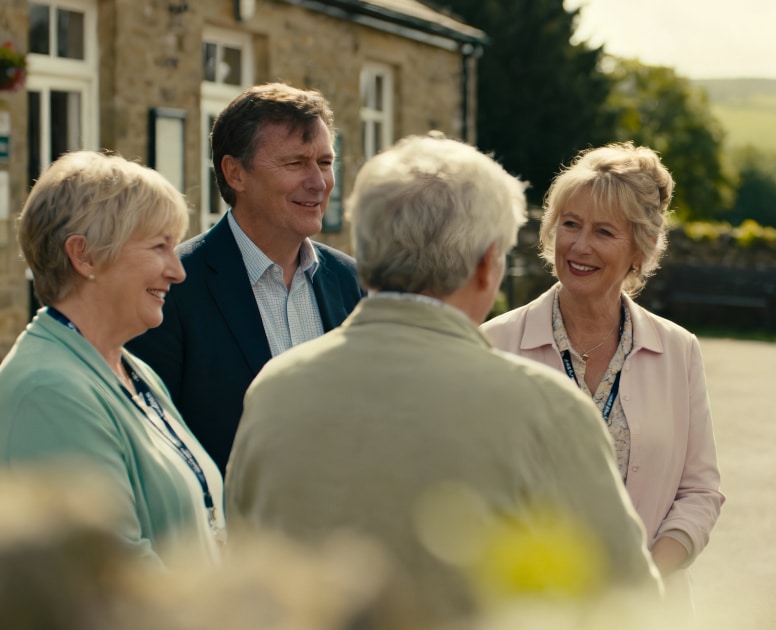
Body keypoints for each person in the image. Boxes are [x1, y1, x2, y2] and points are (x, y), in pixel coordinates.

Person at [224, 135, 660, 625]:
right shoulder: (547, 410)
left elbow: (238, 570)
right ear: (485, 264)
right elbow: (629, 604)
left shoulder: (274, 390)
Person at [482, 142, 724, 606]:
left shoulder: (678, 350)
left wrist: (647, 576)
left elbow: (699, 491)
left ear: (642, 246)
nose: (579, 245)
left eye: (604, 232)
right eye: (570, 224)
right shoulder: (493, 345)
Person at [0, 151, 224, 565]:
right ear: (83, 255)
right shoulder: (47, 392)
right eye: (159, 246)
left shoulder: (133, 371)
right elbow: (112, 579)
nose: (178, 271)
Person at [128, 83, 363, 473]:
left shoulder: (351, 282)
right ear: (234, 172)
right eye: (295, 163)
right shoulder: (172, 289)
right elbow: (152, 451)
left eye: (324, 162)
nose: (319, 182)